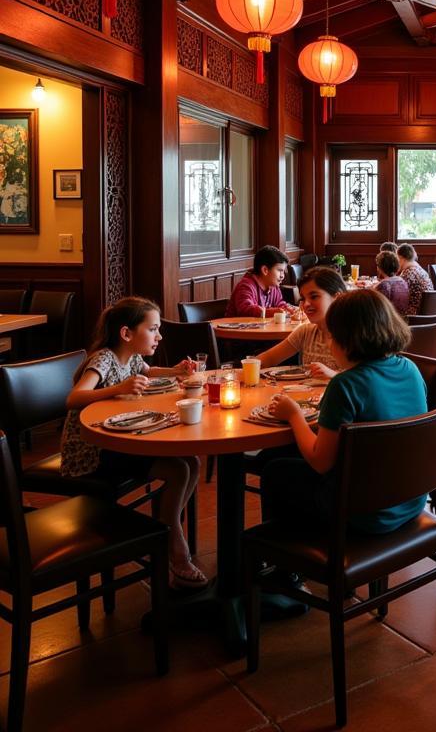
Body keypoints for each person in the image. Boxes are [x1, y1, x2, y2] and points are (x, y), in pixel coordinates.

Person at [61, 297, 205, 590]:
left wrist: (176, 371)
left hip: (120, 442)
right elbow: (74, 398)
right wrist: (118, 388)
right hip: (93, 451)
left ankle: (167, 526)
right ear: (127, 334)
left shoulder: (131, 357)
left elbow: (149, 372)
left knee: (191, 462)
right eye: (153, 329)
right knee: (178, 470)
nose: (159, 336)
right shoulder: (104, 358)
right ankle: (173, 540)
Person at [263, 290, 429, 533]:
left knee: (275, 472)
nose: (329, 344)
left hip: (362, 512)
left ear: (348, 338)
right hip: (409, 500)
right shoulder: (410, 369)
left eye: (331, 337)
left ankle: (288, 560)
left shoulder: (346, 384)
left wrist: (293, 414)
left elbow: (320, 462)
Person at [255, 266, 345, 378]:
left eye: (314, 296)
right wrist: (238, 372)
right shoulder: (306, 331)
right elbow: (269, 359)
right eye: (303, 298)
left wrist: (334, 375)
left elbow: (368, 377)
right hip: (305, 395)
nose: (306, 304)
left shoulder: (355, 334)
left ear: (337, 297)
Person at [228, 245, 295, 317]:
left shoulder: (273, 286)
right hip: (237, 327)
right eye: (280, 271)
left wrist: (290, 309)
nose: (282, 276)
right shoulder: (246, 286)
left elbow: (279, 303)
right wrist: (267, 312)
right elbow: (245, 309)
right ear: (265, 270)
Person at [396, 243, 434, 315]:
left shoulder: (408, 273)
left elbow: (397, 296)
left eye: (397, 258)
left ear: (401, 258)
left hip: (415, 315)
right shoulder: (419, 269)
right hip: (428, 312)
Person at [375, 250, 411, 315]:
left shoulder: (384, 285)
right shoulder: (402, 280)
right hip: (402, 319)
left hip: (390, 321)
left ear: (380, 267)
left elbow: (378, 309)